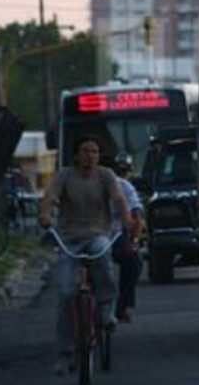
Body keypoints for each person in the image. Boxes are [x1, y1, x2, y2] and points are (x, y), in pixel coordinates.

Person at [38, 136, 140, 375]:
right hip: (70, 239)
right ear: (77, 155)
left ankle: (106, 308)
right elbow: (50, 197)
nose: (90, 155)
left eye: (94, 151)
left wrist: (127, 221)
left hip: (97, 234)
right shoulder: (65, 175)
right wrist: (44, 214)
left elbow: (119, 199)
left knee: (103, 260)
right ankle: (64, 353)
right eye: (85, 151)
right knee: (65, 293)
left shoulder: (106, 175)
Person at [110, 153, 145, 323]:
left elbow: (136, 216)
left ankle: (122, 305)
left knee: (133, 260)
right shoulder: (78, 183)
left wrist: (134, 241)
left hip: (114, 236)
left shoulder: (123, 187)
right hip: (85, 234)